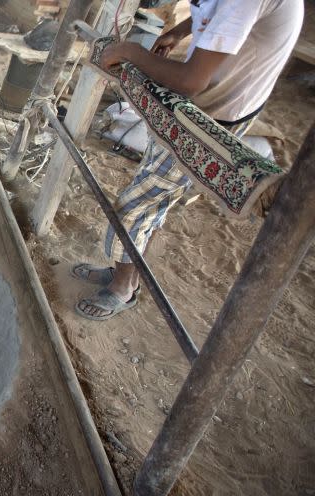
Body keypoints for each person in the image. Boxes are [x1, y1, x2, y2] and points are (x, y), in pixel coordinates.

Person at [73, 0, 303, 320]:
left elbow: (190, 81)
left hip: (212, 120)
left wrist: (131, 53)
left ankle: (123, 288)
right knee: (153, 197)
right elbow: (211, 11)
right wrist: (182, 29)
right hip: (214, 104)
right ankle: (124, 273)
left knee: (136, 204)